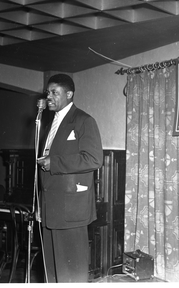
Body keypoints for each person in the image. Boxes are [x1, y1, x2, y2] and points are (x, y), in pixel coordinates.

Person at [37, 73, 103, 283]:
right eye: (48, 92)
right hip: (50, 208)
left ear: (69, 94)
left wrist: (54, 163)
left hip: (71, 209)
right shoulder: (49, 125)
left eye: (54, 92)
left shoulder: (84, 120)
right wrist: (40, 203)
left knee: (71, 273)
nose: (49, 97)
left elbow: (94, 159)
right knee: (52, 271)